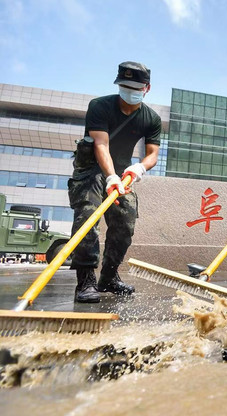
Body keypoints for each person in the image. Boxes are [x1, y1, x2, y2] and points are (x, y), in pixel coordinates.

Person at [69, 61, 161, 303]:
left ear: (146, 88)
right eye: (124, 85)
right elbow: (101, 144)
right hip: (91, 168)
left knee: (126, 220)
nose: (129, 91)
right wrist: (110, 177)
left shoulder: (151, 118)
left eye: (135, 87)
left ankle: (108, 277)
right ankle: (86, 281)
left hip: (122, 171)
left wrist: (139, 167)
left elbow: (152, 154)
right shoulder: (99, 106)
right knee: (87, 218)